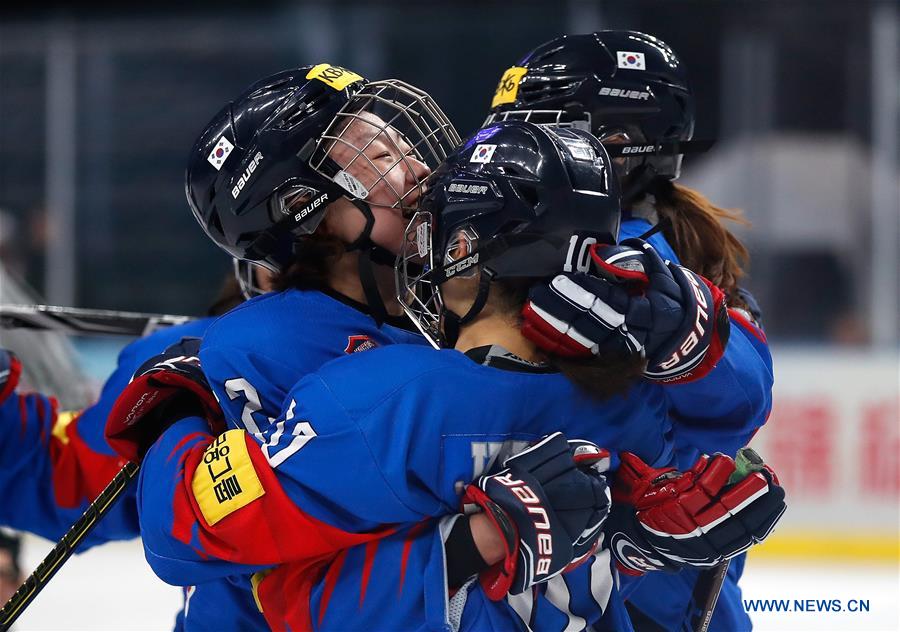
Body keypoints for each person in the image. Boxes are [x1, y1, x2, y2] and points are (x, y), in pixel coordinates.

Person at [110, 121, 785, 631]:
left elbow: (210, 550)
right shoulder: (647, 406)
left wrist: (178, 418)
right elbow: (731, 417)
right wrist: (633, 554)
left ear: (462, 251)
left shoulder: (382, 398)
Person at [486, 30, 773, 630]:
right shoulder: (518, 243)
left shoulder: (663, 269)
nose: (515, 149)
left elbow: (745, 393)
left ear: (620, 143)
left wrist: (682, 337)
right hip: (549, 582)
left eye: (543, 128)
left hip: (646, 603)